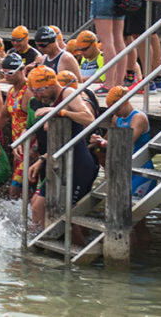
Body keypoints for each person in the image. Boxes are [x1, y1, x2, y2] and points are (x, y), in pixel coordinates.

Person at [26, 65, 98, 239]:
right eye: (33, 92)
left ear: (51, 85)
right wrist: (42, 159)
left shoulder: (67, 94)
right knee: (37, 207)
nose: (37, 97)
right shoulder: (48, 99)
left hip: (79, 166)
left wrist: (59, 111)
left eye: (39, 92)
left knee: (69, 219)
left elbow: (89, 118)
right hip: (59, 161)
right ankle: (45, 246)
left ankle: (78, 255)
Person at [90, 85, 154, 199]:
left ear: (125, 102)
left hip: (141, 168)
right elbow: (107, 140)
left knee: (130, 207)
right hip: (123, 167)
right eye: (112, 109)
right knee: (97, 149)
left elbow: (126, 143)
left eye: (116, 109)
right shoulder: (116, 118)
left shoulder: (138, 117)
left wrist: (104, 143)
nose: (115, 112)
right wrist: (97, 139)